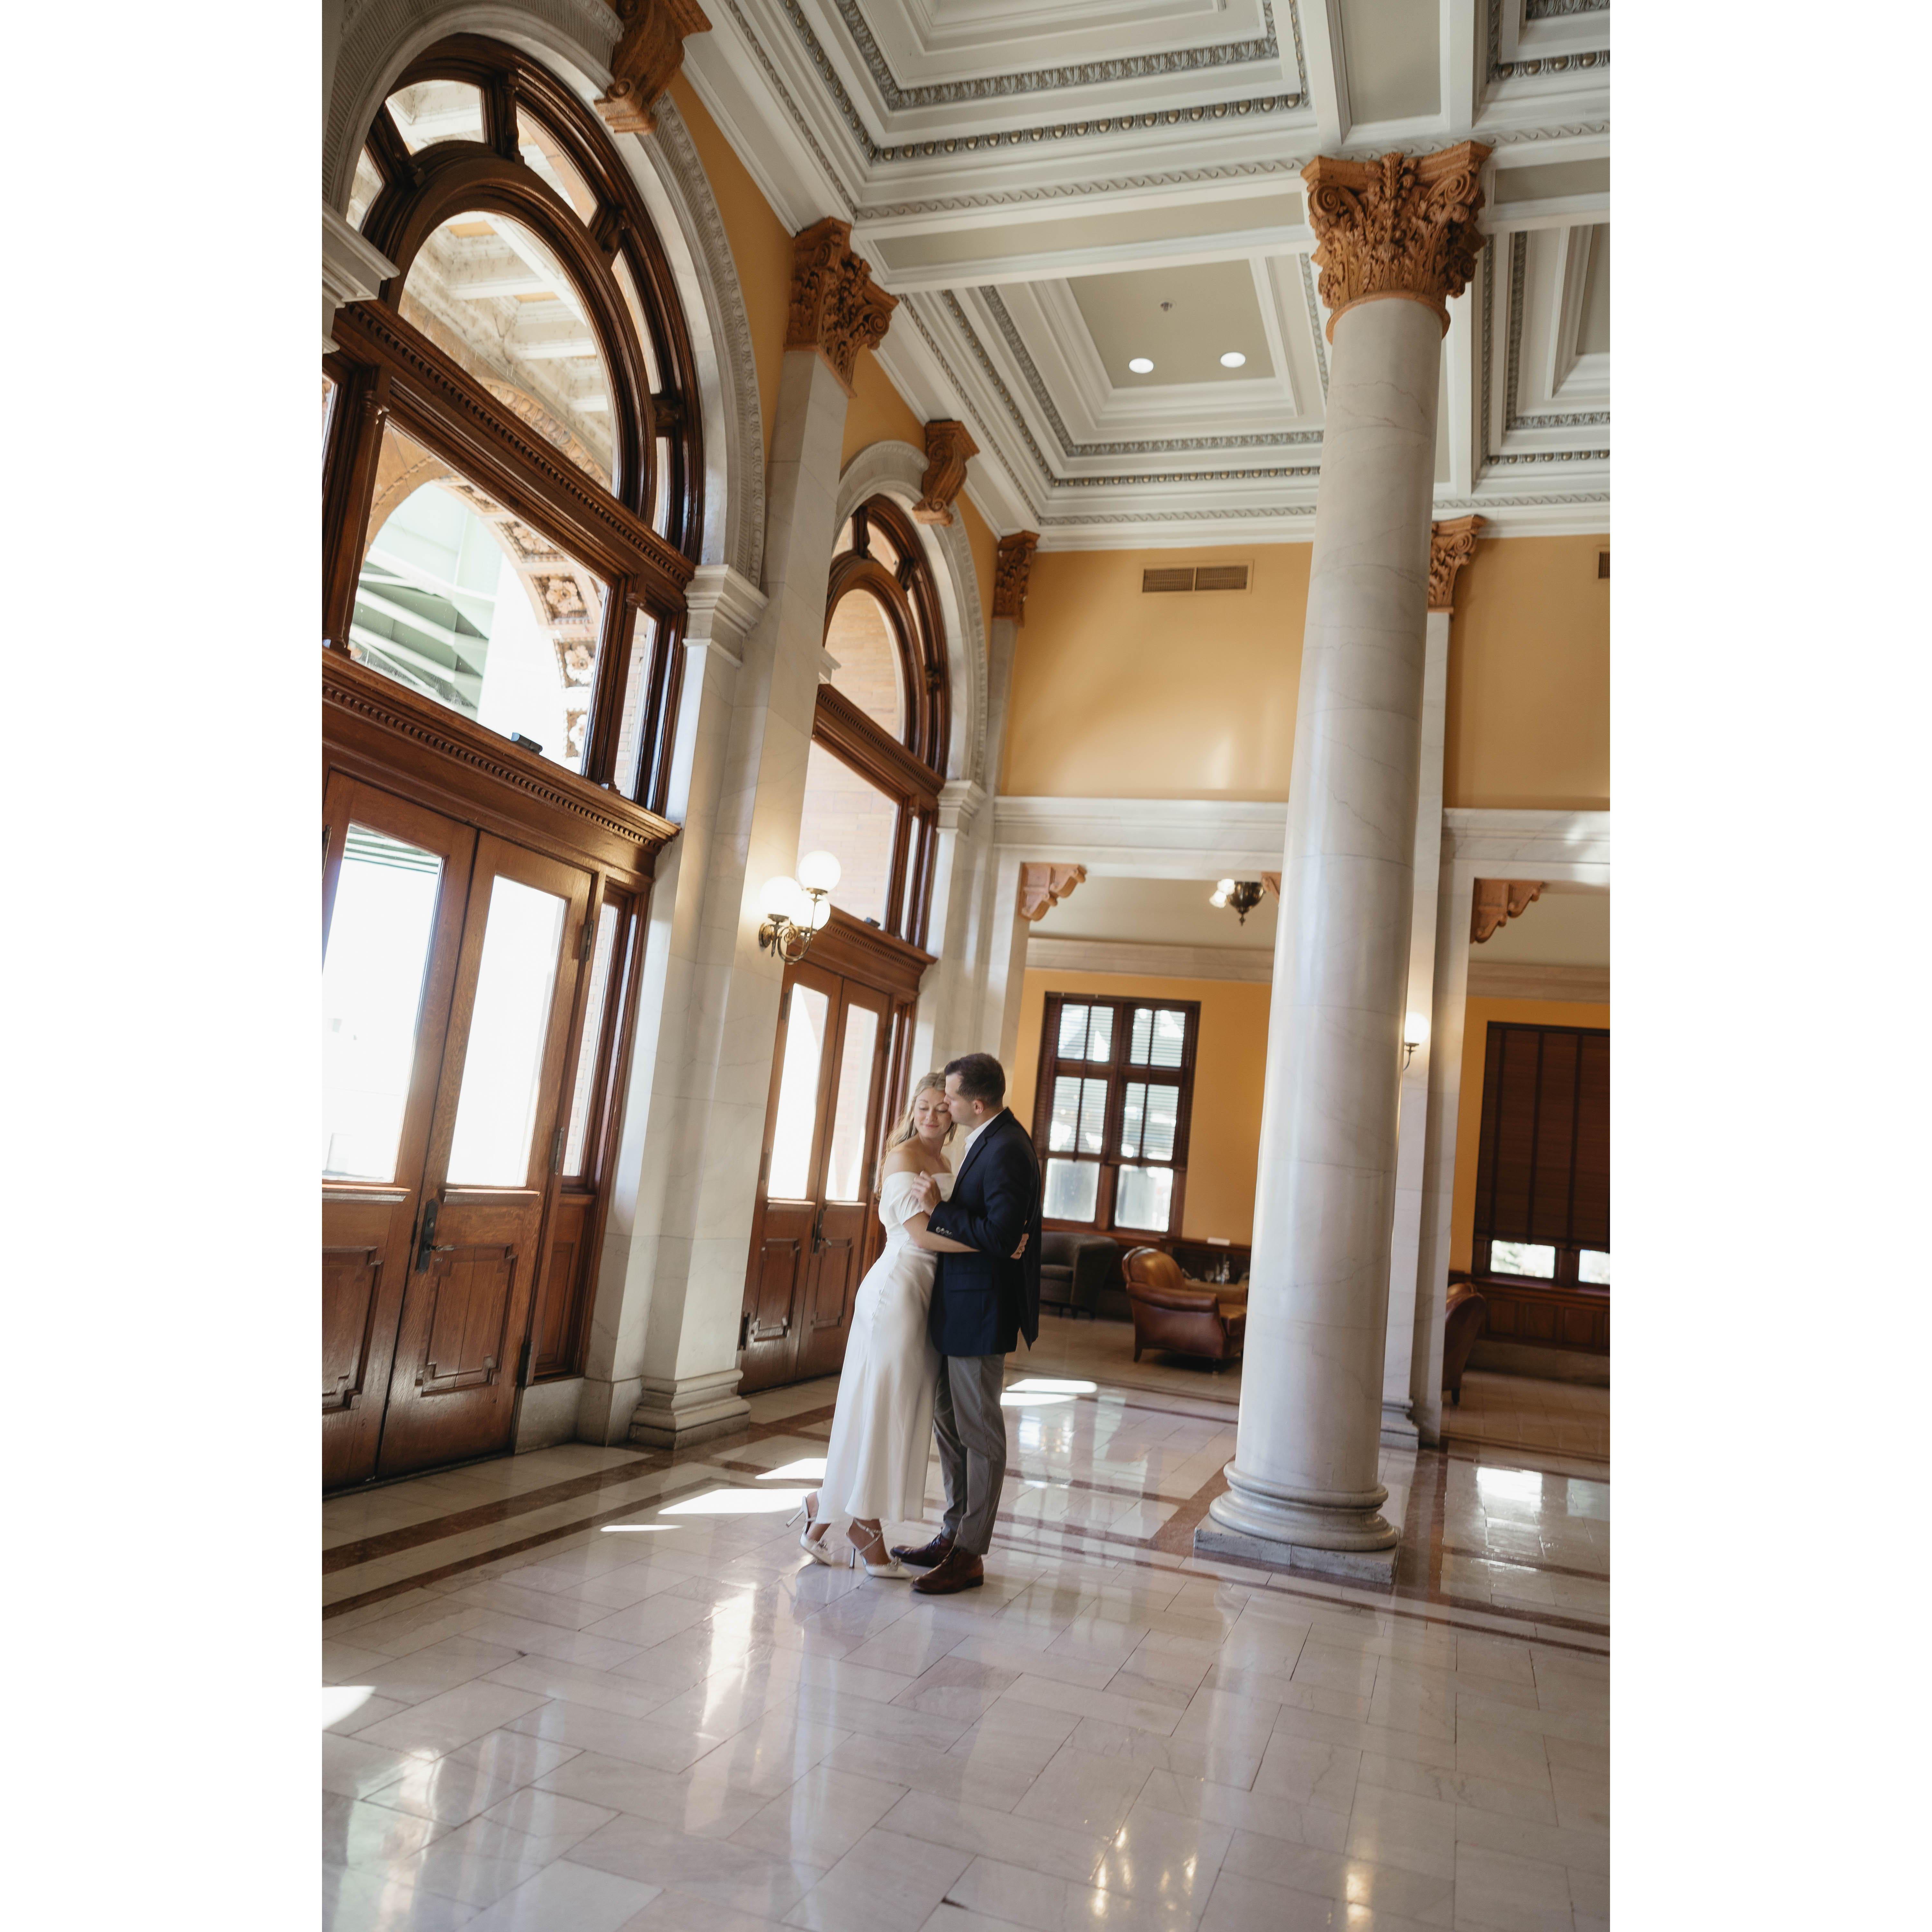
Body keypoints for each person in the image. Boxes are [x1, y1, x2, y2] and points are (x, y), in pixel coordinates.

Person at [793, 1073, 1028, 1579]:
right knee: (881, 1407)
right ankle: (862, 1524)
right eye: (923, 1106)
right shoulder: (902, 1158)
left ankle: (822, 1508)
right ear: (912, 1110)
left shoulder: (950, 1163)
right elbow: (921, 1235)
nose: (931, 1116)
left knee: (887, 1407)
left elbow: (957, 1218)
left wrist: (987, 1235)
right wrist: (997, 1245)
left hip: (928, 1298)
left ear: (956, 1112)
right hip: (897, 1291)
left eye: (941, 1108)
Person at [892, 1051, 1042, 1596]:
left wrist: (939, 1208)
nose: (945, 1105)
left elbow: (1001, 1237)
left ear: (976, 1104)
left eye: (951, 1098)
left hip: (982, 1311)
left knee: (979, 1432)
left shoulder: (1007, 1149)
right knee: (950, 1424)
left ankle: (970, 1553)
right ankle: (953, 1534)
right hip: (959, 1306)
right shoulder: (987, 1139)